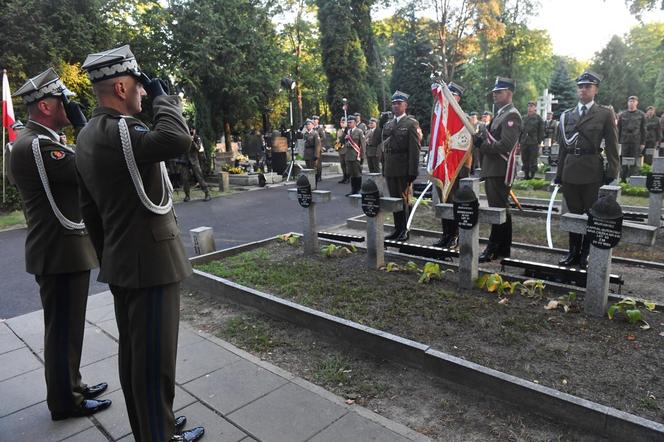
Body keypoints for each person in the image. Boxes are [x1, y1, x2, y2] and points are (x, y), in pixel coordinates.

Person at [75, 45, 204, 442]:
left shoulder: (86, 135)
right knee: (154, 362)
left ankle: (152, 427)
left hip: (122, 259)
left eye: (148, 90)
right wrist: (165, 96)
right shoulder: (121, 132)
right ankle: (159, 436)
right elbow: (177, 137)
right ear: (119, 86)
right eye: (139, 87)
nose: (144, 93)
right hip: (151, 261)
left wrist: (109, 253)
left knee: (135, 357)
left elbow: (88, 210)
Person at [9, 68, 111, 421]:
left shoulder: (36, 141)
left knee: (68, 329)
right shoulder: (39, 145)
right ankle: (65, 402)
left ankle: (74, 385)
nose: (71, 106)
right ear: (47, 106)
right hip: (59, 251)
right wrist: (86, 129)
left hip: (60, 249)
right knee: (63, 332)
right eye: (64, 100)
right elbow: (89, 167)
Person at [554, 70, 619, 268]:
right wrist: (559, 174)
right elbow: (564, 148)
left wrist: (612, 171)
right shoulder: (567, 115)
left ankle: (585, 254)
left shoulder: (605, 114)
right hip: (570, 170)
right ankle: (573, 252)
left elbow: (612, 144)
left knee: (591, 213)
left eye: (587, 86)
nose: (583, 89)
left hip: (591, 170)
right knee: (573, 214)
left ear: (595, 90)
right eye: (580, 86)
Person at [475, 77, 522, 262]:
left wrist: (483, 146)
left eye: (499, 92)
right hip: (493, 168)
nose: (495, 95)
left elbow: (505, 145)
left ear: (509, 93)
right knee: (501, 209)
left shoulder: (512, 115)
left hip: (500, 169)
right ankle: (502, 248)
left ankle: (493, 248)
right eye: (494, 92)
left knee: (498, 209)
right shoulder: (501, 114)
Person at [433, 82, 472, 249]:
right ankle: (446, 234)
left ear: (458, 98)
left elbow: (466, 146)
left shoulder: (465, 119)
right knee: (444, 200)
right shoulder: (441, 116)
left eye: (452, 95)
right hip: (444, 166)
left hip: (458, 168)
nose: (449, 98)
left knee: (455, 202)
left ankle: (454, 235)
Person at [381, 90, 420, 241]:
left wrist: (413, 170)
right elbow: (383, 144)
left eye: (399, 103)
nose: (396, 106)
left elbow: (414, 149)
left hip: (404, 168)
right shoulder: (389, 124)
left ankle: (405, 229)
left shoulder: (411, 123)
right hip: (390, 167)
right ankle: (397, 229)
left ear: (405, 105)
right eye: (394, 103)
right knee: (394, 200)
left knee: (404, 200)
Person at [618, 96, 646, 180]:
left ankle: (633, 180)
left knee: (634, 162)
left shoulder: (641, 115)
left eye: (633, 101)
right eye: (630, 101)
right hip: (624, 142)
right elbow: (618, 129)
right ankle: (622, 180)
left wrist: (643, 143)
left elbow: (643, 130)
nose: (631, 103)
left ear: (637, 103)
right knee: (623, 161)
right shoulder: (622, 114)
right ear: (627, 103)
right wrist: (618, 142)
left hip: (636, 142)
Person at [179, 127, 210, 202]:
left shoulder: (197, 138)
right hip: (185, 160)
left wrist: (192, 141)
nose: (191, 131)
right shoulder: (185, 137)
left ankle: (207, 193)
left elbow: (198, 148)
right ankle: (187, 196)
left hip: (194, 160)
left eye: (193, 129)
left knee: (199, 177)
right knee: (184, 178)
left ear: (195, 130)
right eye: (190, 129)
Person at [520, 101, 544, 180]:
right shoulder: (524, 117)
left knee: (533, 159)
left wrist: (539, 142)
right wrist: (519, 141)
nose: (529, 108)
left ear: (535, 108)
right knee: (524, 158)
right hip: (524, 142)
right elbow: (520, 130)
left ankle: (532, 175)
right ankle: (526, 175)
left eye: (531, 106)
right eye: (529, 106)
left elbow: (541, 131)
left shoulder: (538, 118)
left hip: (534, 142)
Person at [344, 115, 364, 195]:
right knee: (351, 174)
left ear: (355, 123)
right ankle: (353, 190)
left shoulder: (359, 131)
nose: (349, 124)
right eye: (348, 122)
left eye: (350, 122)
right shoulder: (348, 132)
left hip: (356, 156)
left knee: (357, 173)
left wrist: (362, 157)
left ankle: (358, 190)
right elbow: (344, 143)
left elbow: (362, 145)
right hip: (348, 156)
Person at [310, 115, 325, 180]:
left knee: (318, 163)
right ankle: (315, 176)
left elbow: (323, 137)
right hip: (312, 148)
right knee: (313, 163)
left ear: (318, 121)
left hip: (318, 147)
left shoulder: (320, 128)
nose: (314, 121)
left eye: (315, 120)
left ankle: (319, 176)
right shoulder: (311, 128)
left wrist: (317, 140)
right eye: (313, 120)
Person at [336, 117, 349, 183]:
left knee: (347, 164)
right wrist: (337, 147)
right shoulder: (339, 131)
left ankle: (348, 178)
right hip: (341, 149)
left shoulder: (348, 130)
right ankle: (344, 177)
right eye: (341, 122)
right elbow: (338, 140)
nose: (342, 123)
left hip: (347, 149)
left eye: (343, 122)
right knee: (342, 164)